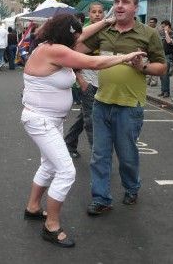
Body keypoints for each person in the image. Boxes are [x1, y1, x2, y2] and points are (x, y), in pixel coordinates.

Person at [22, 13, 145, 247]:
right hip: (41, 120)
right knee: (66, 171)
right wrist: (127, 56)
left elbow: (85, 33)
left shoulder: (50, 45)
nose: (80, 38)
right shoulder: (54, 51)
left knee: (49, 165)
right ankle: (52, 226)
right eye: (75, 35)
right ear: (66, 35)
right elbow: (93, 63)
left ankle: (33, 207)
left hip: (49, 119)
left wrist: (106, 22)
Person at [75, 0, 167, 215]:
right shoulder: (105, 32)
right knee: (99, 154)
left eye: (125, 2)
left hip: (129, 106)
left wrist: (143, 67)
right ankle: (101, 198)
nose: (119, 5)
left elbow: (162, 67)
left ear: (136, 7)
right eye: (116, 1)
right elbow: (77, 45)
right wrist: (101, 24)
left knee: (127, 155)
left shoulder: (148, 34)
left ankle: (132, 187)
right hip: (101, 102)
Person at [64, 1, 105, 158]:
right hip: (87, 80)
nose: (97, 14)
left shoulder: (108, 30)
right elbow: (72, 56)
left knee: (85, 116)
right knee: (91, 119)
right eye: (94, 12)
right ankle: (98, 156)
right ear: (89, 14)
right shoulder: (83, 32)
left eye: (100, 12)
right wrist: (80, 79)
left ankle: (69, 142)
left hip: (103, 81)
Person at [158, 20, 173, 98]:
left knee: (165, 75)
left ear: (168, 26)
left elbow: (169, 42)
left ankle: (166, 92)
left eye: (163, 27)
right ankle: (163, 90)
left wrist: (166, 32)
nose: (162, 29)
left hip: (168, 56)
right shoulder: (164, 35)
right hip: (162, 56)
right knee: (161, 75)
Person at [146, 17, 159, 87]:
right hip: (148, 51)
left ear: (155, 23)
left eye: (152, 22)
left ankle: (154, 81)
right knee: (147, 65)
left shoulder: (158, 31)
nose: (150, 23)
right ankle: (147, 80)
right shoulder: (147, 30)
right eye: (150, 22)